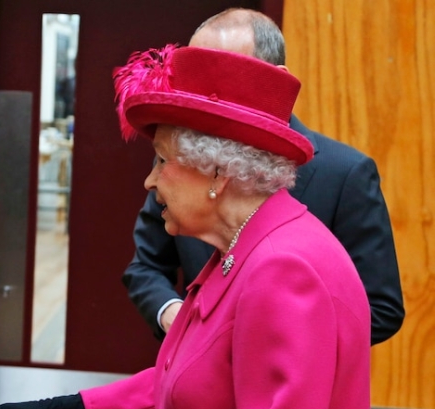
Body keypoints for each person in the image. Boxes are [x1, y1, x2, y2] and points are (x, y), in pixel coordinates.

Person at [0, 44, 391, 409]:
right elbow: (200, 380)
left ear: (217, 173)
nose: (150, 181)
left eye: (161, 160)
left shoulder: (284, 268)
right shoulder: (247, 247)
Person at [123, 8, 404, 345]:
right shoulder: (184, 163)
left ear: (277, 78)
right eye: (197, 75)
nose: (207, 95)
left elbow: (380, 307)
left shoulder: (345, 173)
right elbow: (146, 266)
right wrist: (175, 316)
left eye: (225, 73)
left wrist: (257, 340)